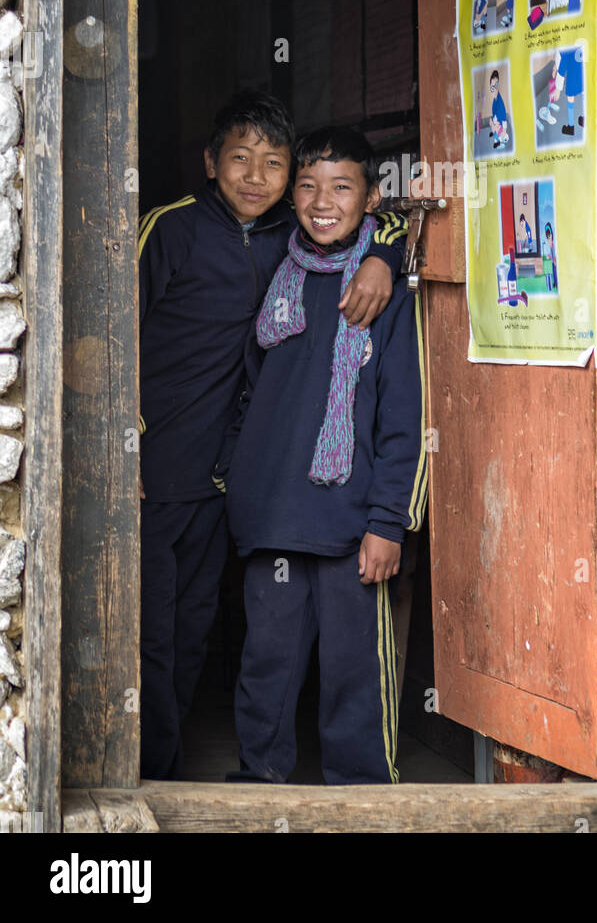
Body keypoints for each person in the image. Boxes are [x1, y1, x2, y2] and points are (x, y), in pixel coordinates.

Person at [137, 91, 406, 781]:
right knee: (156, 640)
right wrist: (120, 443)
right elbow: (106, 333)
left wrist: (387, 253)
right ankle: (156, 779)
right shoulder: (176, 233)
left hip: (254, 494)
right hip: (164, 476)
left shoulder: (333, 259)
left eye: (273, 164)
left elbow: (387, 211)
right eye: (239, 159)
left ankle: (352, 797)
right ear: (209, 163)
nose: (256, 177)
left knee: (200, 634)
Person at [216, 127, 427, 785]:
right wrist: (240, 468)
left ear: (371, 198)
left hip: (350, 523)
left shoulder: (383, 294)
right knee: (266, 669)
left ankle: (361, 803)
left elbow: (404, 414)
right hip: (274, 513)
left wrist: (389, 520)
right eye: (307, 185)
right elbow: (250, 382)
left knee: (353, 677)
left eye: (342, 186)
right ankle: (259, 791)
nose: (321, 200)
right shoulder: (276, 268)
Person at [554, 46, 585, 137]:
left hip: (572, 75)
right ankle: (584, 118)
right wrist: (555, 66)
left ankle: (571, 127)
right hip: (582, 71)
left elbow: (562, 66)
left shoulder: (564, 47)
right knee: (583, 92)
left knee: (570, 97)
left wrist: (558, 89)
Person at [488, 70, 510, 150]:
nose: (493, 90)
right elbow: (494, 113)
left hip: (500, 125)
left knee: (494, 127)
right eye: (491, 87)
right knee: (491, 122)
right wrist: (492, 121)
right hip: (496, 122)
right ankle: (494, 132)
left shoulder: (500, 102)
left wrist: (503, 130)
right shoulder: (494, 101)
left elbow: (503, 118)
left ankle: (497, 141)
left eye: (495, 86)